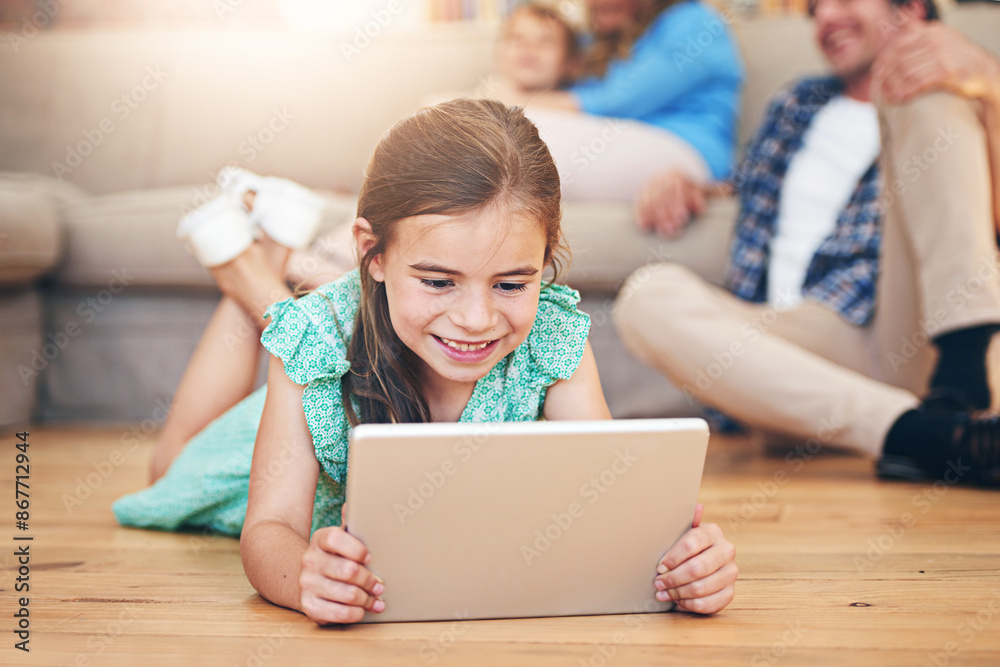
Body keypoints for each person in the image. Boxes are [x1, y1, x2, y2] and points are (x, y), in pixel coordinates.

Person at [113, 99, 738, 623]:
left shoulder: (551, 334)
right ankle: (248, 261)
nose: (475, 319)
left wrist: (683, 561)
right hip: (272, 432)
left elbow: (609, 506)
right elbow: (270, 527)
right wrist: (303, 576)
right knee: (169, 464)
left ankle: (267, 249)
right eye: (439, 282)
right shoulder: (315, 341)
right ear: (373, 254)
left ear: (545, 258)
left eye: (512, 284)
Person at [614, 0, 1000, 486]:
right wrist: (691, 184)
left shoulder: (964, 96)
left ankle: (960, 380)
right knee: (647, 296)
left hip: (914, 334)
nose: (824, 17)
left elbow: (975, 218)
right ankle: (920, 435)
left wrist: (989, 84)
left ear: (911, 9)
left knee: (921, 87)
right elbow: (745, 184)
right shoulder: (797, 103)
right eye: (815, 8)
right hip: (792, 352)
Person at [493, 0, 744, 201]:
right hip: (618, 136)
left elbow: (617, 100)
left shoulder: (695, 22)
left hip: (683, 152)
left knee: (513, 137)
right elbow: (553, 54)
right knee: (501, 128)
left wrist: (511, 99)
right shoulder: (605, 38)